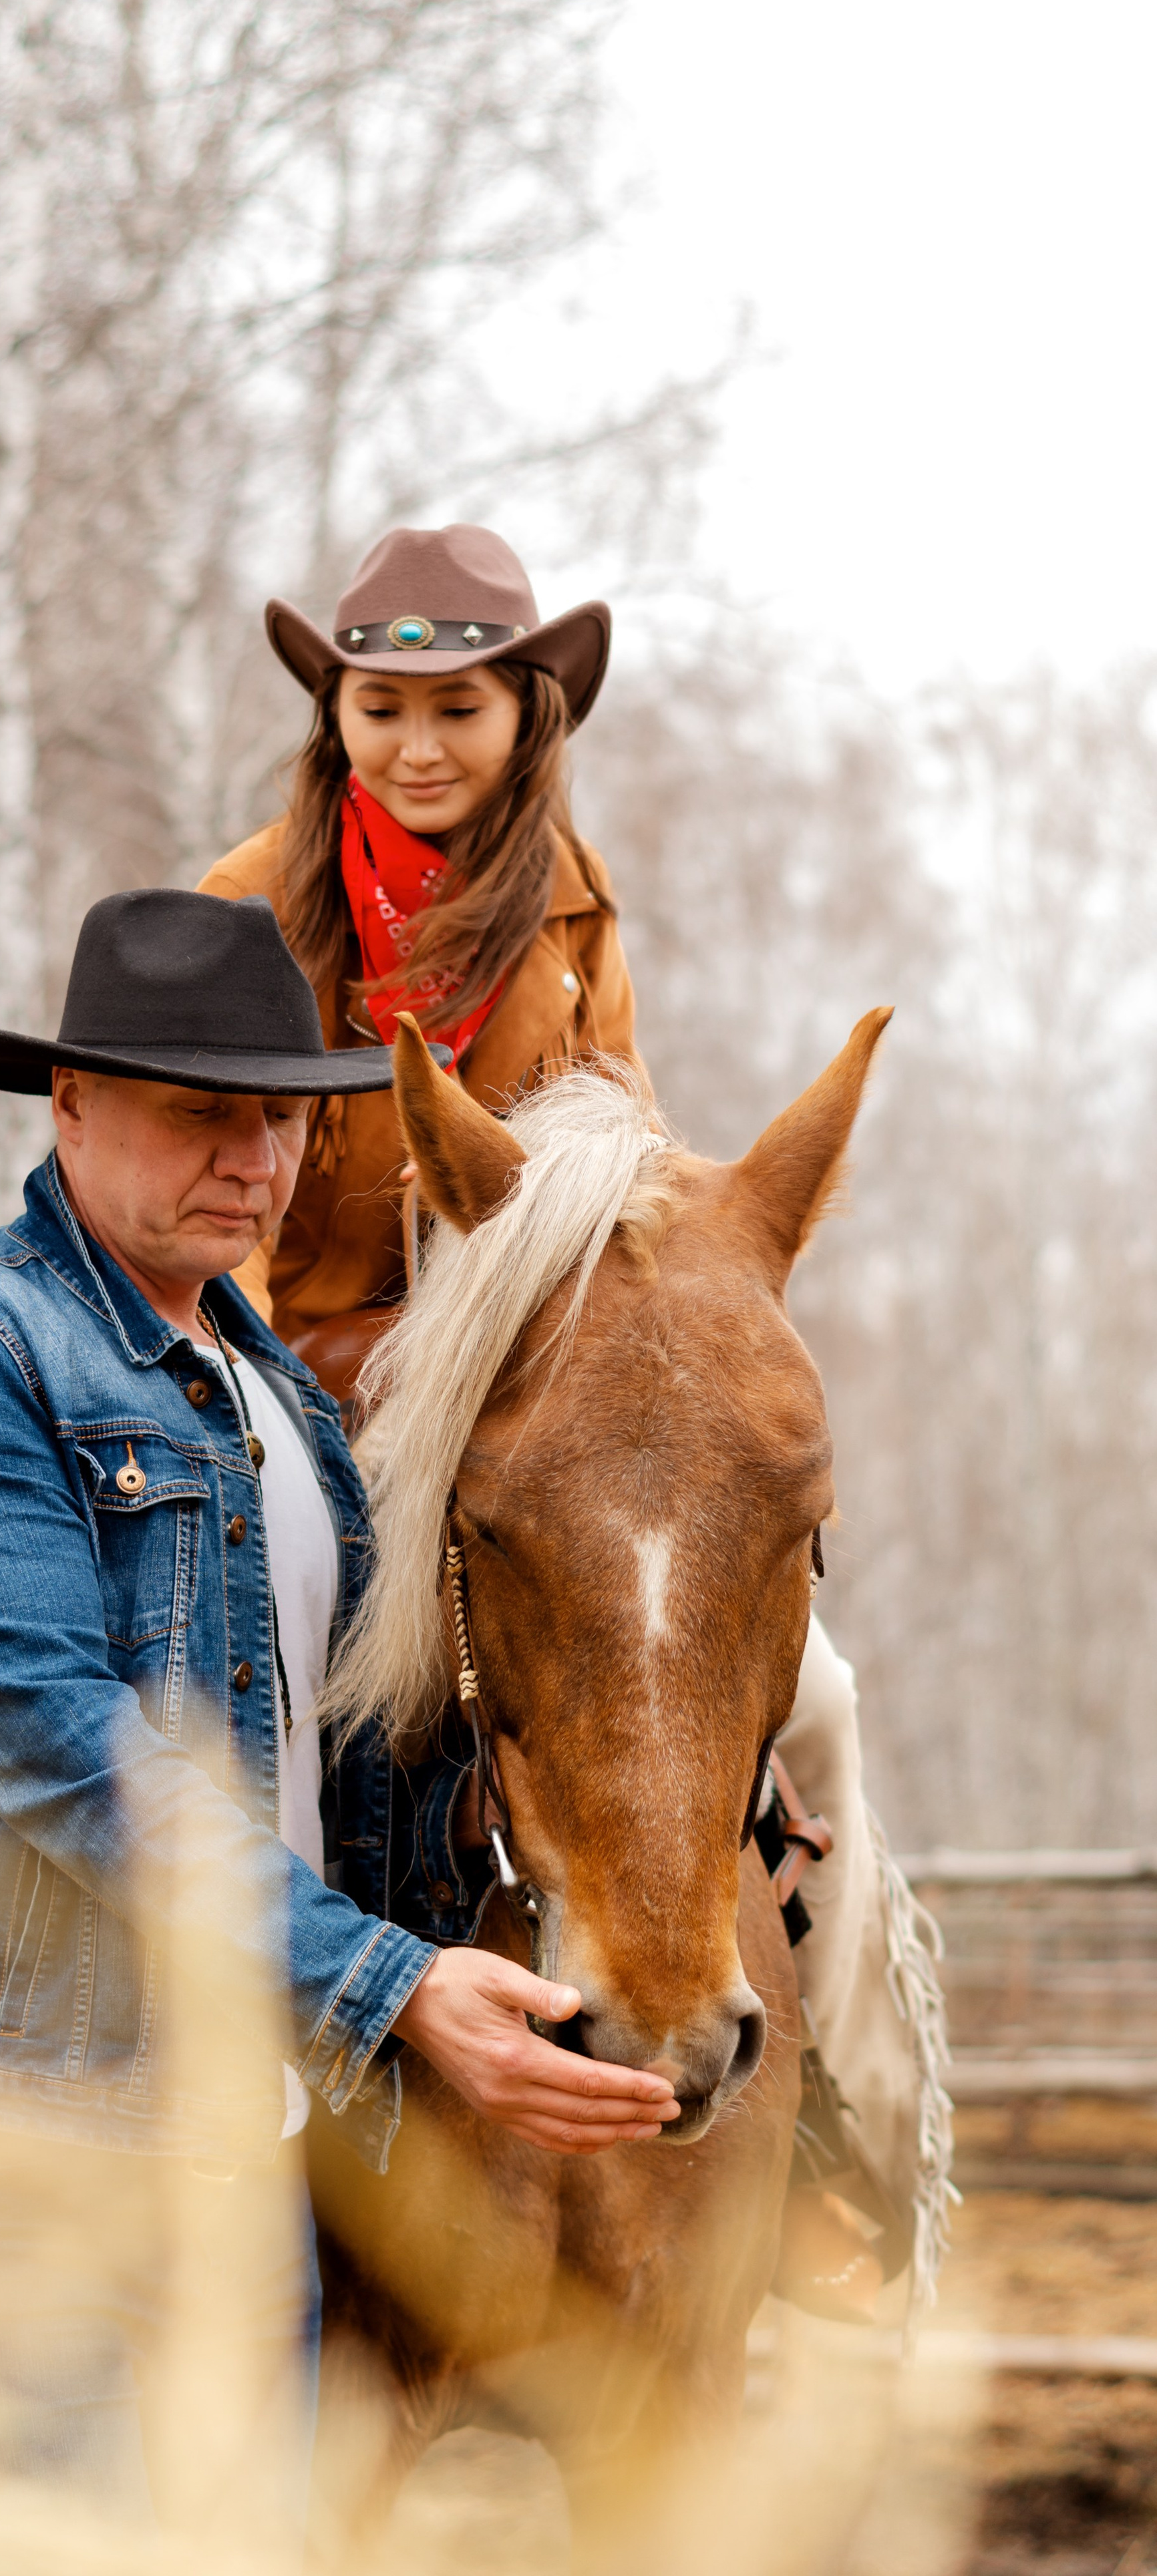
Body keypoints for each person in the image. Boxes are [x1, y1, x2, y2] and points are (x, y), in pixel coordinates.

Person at [0, 886, 677, 2539]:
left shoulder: (278, 1400)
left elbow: (352, 1771)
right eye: (202, 1113)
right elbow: (74, 1758)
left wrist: (637, 1807)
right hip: (10, 2150)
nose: (255, 1162)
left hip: (245, 2144)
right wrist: (396, 1989)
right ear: (66, 1103)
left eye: (280, 1120)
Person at [197, 524, 949, 2320]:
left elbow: (621, 1156)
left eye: (459, 705)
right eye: (383, 706)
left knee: (817, 1706)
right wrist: (350, 1369)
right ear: (340, 716)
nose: (421, 743)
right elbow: (222, 1208)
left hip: (519, 1400)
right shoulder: (250, 903)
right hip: (297, 1387)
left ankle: (844, 2143)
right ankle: (212, 2125)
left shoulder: (575, 907)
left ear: (529, 716)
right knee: (244, 1697)